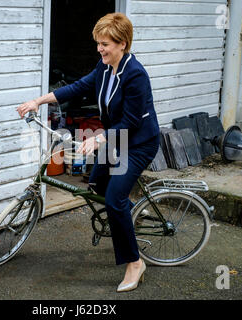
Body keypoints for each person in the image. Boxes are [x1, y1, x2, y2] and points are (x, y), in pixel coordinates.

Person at [17, 12, 160, 292]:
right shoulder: (105, 67)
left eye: (105, 43)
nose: (100, 49)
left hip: (138, 143)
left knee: (115, 198)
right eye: (98, 43)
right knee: (97, 184)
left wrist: (98, 140)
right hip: (114, 139)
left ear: (123, 43)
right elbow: (78, 86)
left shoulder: (136, 75)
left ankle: (134, 263)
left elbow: (131, 122)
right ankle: (131, 216)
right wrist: (38, 100)